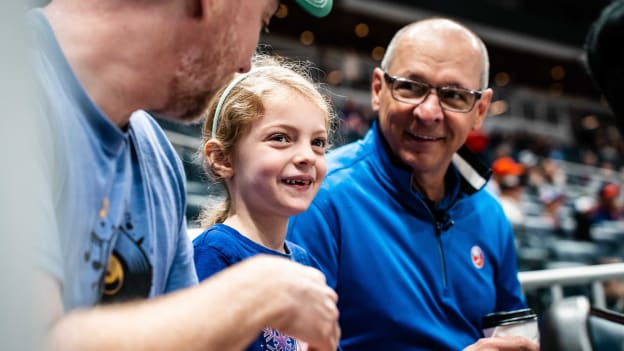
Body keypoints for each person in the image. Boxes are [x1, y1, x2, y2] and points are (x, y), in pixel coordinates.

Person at [27, 0, 340, 350]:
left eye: (318, 143)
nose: (245, 62)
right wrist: (256, 294)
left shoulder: (156, 158)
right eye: (262, 20)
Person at [288, 18, 538, 351]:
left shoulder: (490, 213)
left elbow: (516, 334)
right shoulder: (318, 197)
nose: (429, 112)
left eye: (454, 95)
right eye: (411, 86)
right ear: (378, 90)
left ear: (479, 110)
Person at [192, 55, 335, 351]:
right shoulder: (214, 254)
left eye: (318, 142)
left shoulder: (306, 264)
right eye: (281, 138)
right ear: (222, 158)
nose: (307, 156)